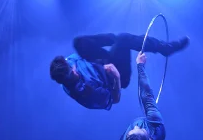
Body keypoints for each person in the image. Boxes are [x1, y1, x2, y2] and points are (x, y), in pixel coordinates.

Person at [50, 33, 189, 110]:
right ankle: (163, 47)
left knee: (78, 42)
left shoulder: (69, 62)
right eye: (71, 76)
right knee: (124, 40)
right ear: (65, 82)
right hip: (117, 76)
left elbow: (84, 52)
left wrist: (110, 42)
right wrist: (116, 76)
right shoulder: (84, 93)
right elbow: (115, 99)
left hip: (102, 61)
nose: (74, 72)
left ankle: (116, 39)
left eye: (71, 69)